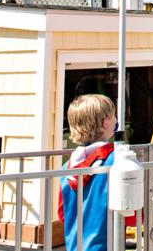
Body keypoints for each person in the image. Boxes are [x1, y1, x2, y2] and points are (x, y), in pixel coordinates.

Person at [59, 94, 118, 251]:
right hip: (107, 244)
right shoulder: (115, 161)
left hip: (75, 245)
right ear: (106, 123)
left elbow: (62, 213)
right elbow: (131, 213)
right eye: (114, 116)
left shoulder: (67, 167)